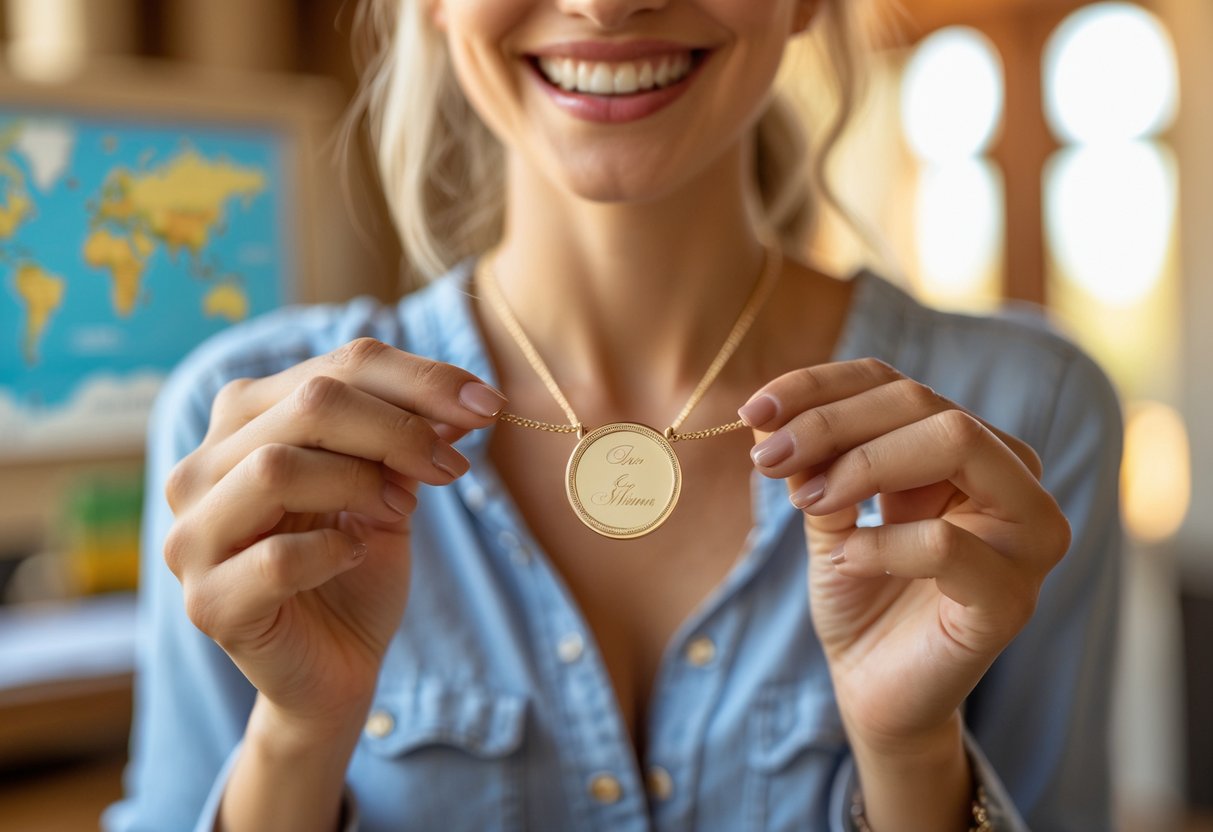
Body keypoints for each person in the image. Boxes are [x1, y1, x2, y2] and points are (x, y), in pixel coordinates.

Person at [104, 0, 1123, 830]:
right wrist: (297, 738)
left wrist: (911, 760)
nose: (606, 4)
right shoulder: (242, 429)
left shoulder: (1021, 415)